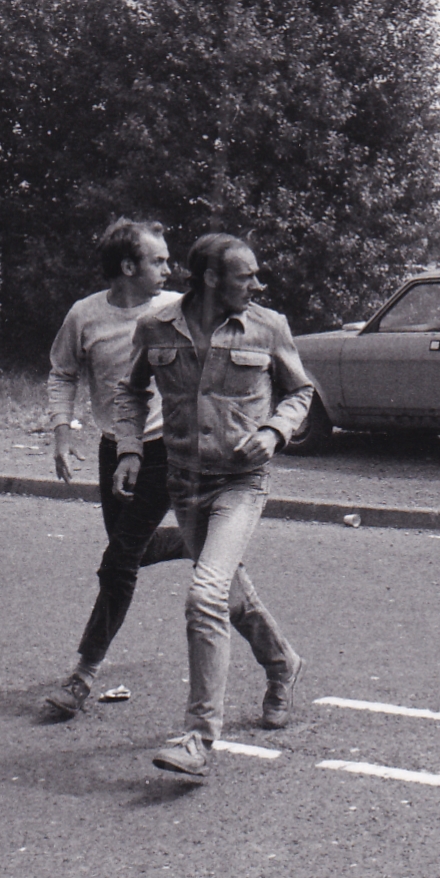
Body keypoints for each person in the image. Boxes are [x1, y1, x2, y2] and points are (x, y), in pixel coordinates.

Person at [116, 233, 312, 778]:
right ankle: (283, 663)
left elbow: (301, 392)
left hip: (242, 484)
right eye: (246, 275)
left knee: (204, 594)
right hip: (184, 483)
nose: (258, 284)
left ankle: (199, 738)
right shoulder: (155, 328)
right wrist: (130, 449)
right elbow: (129, 392)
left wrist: (274, 431)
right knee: (228, 594)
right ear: (210, 278)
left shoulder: (269, 326)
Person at [40, 219, 192, 717]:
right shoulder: (84, 315)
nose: (170, 269)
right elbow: (62, 372)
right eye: (159, 260)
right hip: (115, 450)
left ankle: (83, 675)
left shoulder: (176, 312)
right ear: (128, 267)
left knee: (119, 562)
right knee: (138, 549)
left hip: (167, 450)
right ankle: (199, 540)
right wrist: (63, 431)